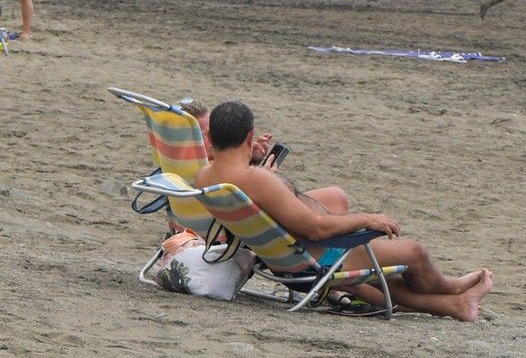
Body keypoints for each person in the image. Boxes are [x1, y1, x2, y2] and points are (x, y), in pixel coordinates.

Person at [196, 101, 493, 321]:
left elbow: (266, 199)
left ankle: (457, 306)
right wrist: (367, 219)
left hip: (277, 255)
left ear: (213, 139)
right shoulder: (256, 179)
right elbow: (316, 229)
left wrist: (258, 166)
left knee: (349, 221)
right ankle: (452, 288)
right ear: (249, 137)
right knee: (415, 253)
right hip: (316, 256)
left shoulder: (206, 178)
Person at [180, 100, 274, 165]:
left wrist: (250, 157)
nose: (213, 137)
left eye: (213, 128)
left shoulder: (174, 165)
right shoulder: (205, 172)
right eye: (201, 135)